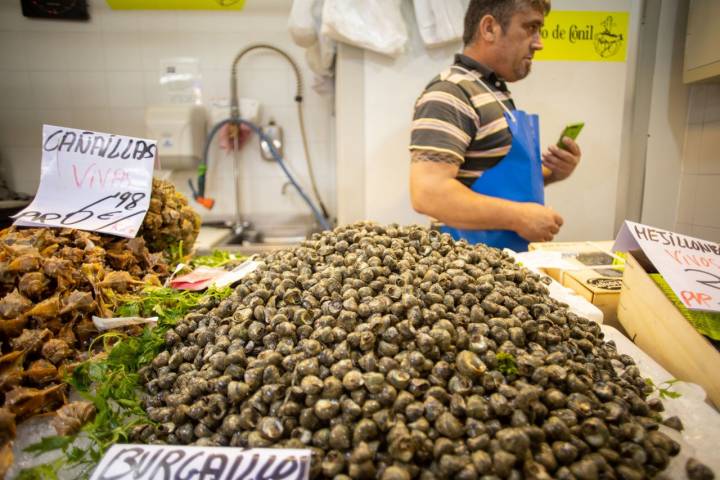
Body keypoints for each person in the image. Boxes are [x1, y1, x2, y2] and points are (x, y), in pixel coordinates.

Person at [409, 0, 582, 251]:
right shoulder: (450, 93)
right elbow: (428, 193)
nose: (539, 43)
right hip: (463, 271)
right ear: (489, 28)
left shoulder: (492, 91)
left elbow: (481, 178)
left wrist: (552, 173)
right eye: (530, 28)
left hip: (498, 265)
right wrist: (520, 217)